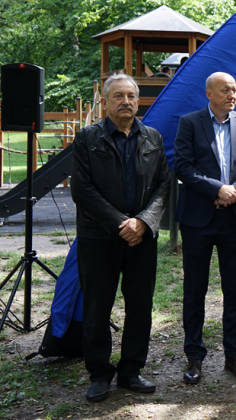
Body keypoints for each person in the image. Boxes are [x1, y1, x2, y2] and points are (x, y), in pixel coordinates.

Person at [71, 73, 170, 402]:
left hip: (142, 238)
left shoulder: (153, 137)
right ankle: (99, 373)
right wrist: (120, 223)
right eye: (118, 96)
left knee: (140, 306)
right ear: (105, 101)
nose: (125, 101)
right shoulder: (87, 138)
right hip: (98, 238)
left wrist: (142, 222)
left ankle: (131, 370)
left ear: (138, 100)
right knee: (98, 307)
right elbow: (82, 190)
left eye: (131, 96)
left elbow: (163, 186)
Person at [174, 72, 236, 384]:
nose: (232, 95)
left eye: (235, 90)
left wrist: (233, 190)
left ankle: (234, 355)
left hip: (234, 218)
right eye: (225, 90)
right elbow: (182, 166)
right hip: (198, 218)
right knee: (195, 289)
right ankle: (194, 357)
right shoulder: (189, 122)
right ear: (209, 93)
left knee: (235, 289)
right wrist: (216, 190)